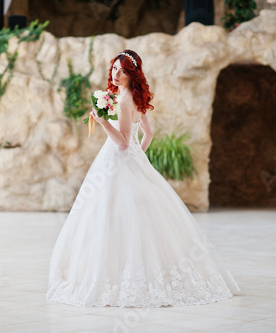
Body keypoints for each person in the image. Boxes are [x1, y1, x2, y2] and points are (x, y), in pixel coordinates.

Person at [47, 50, 240, 307]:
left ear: (132, 74)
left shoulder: (126, 100)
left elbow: (124, 144)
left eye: (123, 70)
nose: (116, 74)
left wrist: (104, 122)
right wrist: (140, 158)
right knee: (126, 216)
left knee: (109, 215)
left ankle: (115, 276)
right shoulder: (136, 98)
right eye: (114, 68)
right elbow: (147, 134)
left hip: (115, 162)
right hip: (128, 163)